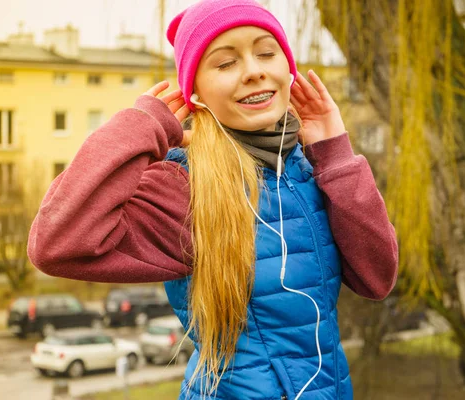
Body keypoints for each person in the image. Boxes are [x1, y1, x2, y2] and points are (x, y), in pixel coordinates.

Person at [27, 0, 398, 398]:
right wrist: (142, 129)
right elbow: (54, 244)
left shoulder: (313, 171)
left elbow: (377, 279)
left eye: (266, 53)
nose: (254, 70)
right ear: (196, 92)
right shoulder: (185, 186)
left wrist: (336, 153)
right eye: (225, 63)